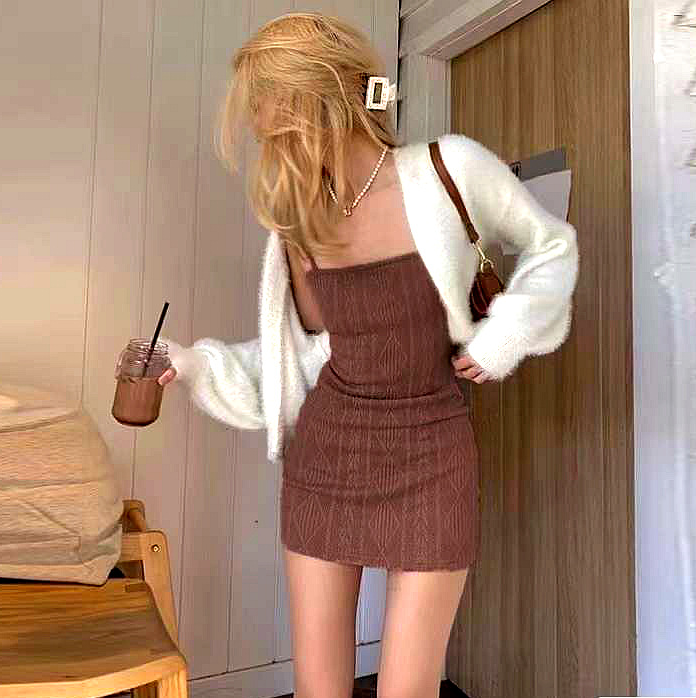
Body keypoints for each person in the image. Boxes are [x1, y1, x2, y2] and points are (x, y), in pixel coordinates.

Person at [155, 12, 578, 698]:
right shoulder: (301, 216)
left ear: (311, 97)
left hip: (434, 453)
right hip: (328, 458)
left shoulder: (448, 169)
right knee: (320, 691)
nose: (258, 126)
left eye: (264, 105)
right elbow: (307, 350)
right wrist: (195, 364)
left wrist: (505, 336)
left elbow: (551, 244)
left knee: (406, 690)